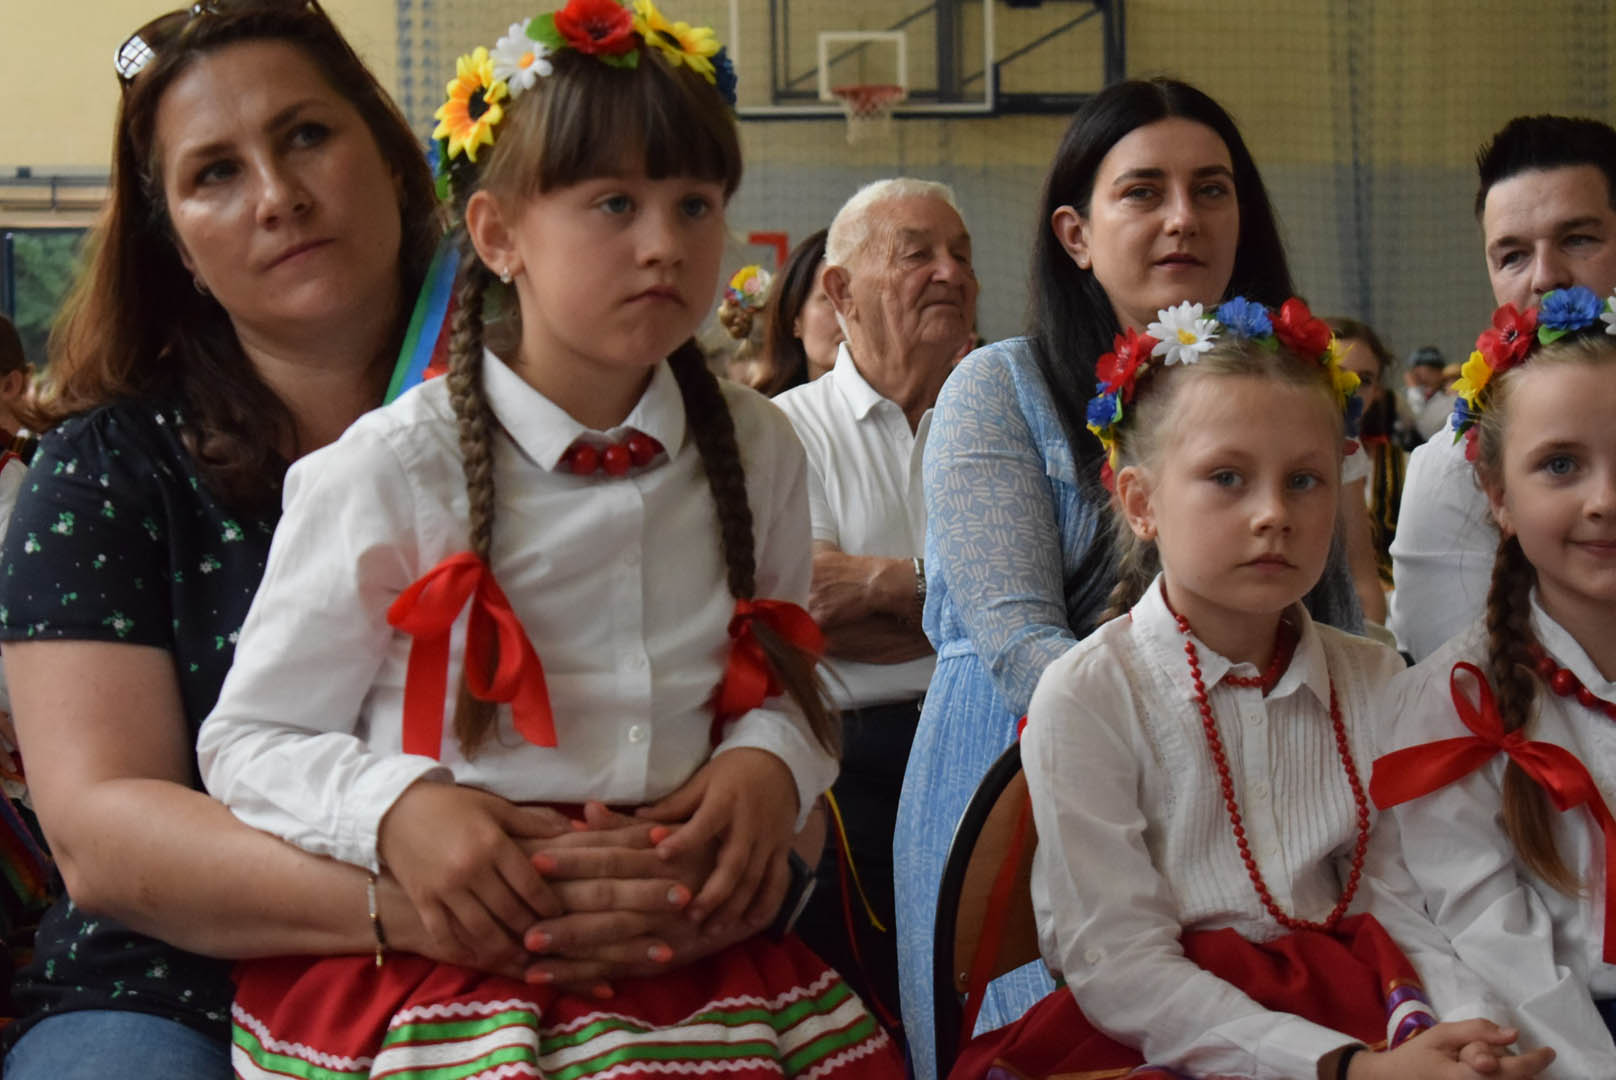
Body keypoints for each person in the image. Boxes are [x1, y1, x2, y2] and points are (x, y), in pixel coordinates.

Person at [0, 3, 741, 1075]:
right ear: (179, 246)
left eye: (306, 134)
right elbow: (101, 837)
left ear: (394, 160)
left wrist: (758, 823)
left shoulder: (602, 405)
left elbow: (725, 683)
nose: (278, 195)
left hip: (588, 961)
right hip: (179, 986)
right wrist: (429, 903)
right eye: (215, 173)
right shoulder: (106, 472)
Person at [194, 5, 905, 1075]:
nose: (663, 243)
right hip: (446, 961)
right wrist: (400, 814)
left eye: (695, 203)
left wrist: (770, 767)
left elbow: (789, 683)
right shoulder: (388, 470)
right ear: (497, 236)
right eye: (613, 203)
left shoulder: (759, 447)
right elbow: (248, 742)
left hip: (687, 945)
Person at [893, 76, 1365, 1080]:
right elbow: (1017, 638)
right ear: (1075, 234)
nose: (1182, 218)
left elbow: (1336, 617)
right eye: (1143, 191)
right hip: (1026, 784)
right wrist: (1190, 755)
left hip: (1263, 794)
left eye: (1211, 190)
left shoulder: (1294, 389)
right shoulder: (999, 387)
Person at [953, 298, 1556, 1080]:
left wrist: (1472, 1028)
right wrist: (1344, 1068)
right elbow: (1120, 965)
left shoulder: (1376, 676)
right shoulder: (1088, 695)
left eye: (1304, 480)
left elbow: (1406, 901)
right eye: (1227, 478)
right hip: (1166, 1031)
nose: (1274, 514)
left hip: (1366, 1002)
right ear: (1140, 503)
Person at [1372, 286, 1616, 1077]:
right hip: (1568, 1035)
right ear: (1499, 498)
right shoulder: (1455, 703)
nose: (1605, 500)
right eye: (1561, 465)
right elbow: (1489, 934)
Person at [773, 176, 976, 1040]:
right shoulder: (784, 429)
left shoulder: (1001, 421)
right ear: (840, 290)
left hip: (987, 738)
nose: (950, 272)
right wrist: (958, 602)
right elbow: (808, 604)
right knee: (875, 1010)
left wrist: (888, 588)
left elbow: (1036, 598)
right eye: (917, 253)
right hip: (850, 754)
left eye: (962, 254)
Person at [1389, 115, 1616, 661]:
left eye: (1578, 239)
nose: (1545, 278)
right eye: (1513, 255)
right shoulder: (1451, 466)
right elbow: (1449, 679)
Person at [1330, 317, 1409, 591]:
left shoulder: (1409, 467)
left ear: (1376, 392)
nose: (1350, 388)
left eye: (1364, 380)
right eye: (1336, 372)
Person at [755, 228, 840, 394]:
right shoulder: (767, 409)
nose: (849, 314)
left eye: (862, 298)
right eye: (830, 300)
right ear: (794, 318)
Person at [1404, 346, 1455, 442]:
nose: (1417, 376)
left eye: (1430, 370)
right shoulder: (1415, 394)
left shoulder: (1450, 398)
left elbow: (1423, 426)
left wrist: (1414, 390)